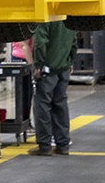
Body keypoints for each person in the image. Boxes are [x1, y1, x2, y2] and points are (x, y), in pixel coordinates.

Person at [28, 20, 77, 155]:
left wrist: (38, 64)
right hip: (63, 67)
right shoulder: (67, 14)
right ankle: (63, 144)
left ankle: (44, 145)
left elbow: (40, 41)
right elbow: (74, 40)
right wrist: (71, 61)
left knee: (42, 105)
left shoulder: (45, 17)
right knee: (60, 104)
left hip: (47, 69)